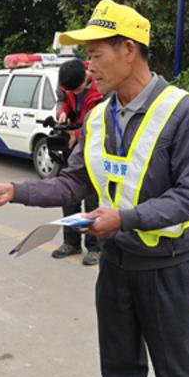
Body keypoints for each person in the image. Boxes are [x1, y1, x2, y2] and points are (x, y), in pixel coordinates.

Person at [0, 0, 189, 377]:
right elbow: (72, 183)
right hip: (116, 265)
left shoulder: (183, 111)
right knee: (119, 368)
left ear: (128, 49)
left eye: (96, 54)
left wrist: (124, 219)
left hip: (168, 269)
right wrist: (14, 191)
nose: (89, 67)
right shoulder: (99, 117)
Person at [52, 59, 104, 266]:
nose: (74, 91)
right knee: (68, 193)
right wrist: (62, 113)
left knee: (92, 198)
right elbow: (62, 100)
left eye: (78, 88)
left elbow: (101, 121)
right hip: (72, 143)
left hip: (96, 144)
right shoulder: (65, 79)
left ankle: (95, 247)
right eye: (70, 89)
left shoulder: (103, 85)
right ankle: (71, 242)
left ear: (87, 76)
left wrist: (77, 133)